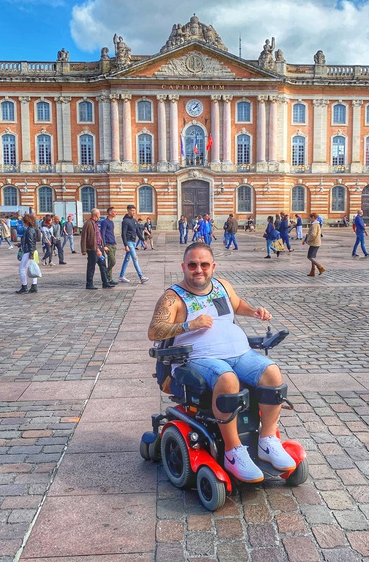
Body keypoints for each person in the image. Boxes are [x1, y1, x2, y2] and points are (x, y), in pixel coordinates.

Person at [147, 242, 296, 482]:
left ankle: (267, 441)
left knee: (272, 372)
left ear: (213, 266)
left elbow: (236, 305)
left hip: (240, 354)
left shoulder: (222, 286)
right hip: (198, 358)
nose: (199, 270)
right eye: (193, 265)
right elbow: (154, 331)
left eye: (204, 265)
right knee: (228, 379)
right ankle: (232, 450)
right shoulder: (172, 297)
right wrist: (189, 325)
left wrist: (253, 311)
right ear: (183, 267)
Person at [81, 208, 114, 289]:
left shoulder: (95, 223)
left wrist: (103, 246)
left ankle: (105, 282)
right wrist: (97, 249)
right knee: (91, 266)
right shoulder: (88, 224)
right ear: (96, 215)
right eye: (99, 213)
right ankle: (89, 284)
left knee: (103, 265)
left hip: (99, 248)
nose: (100, 215)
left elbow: (98, 236)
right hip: (93, 249)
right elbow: (90, 238)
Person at [119, 204, 149, 284]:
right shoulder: (125, 221)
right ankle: (141, 276)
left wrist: (143, 240)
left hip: (133, 241)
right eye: (132, 211)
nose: (133, 212)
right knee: (135, 258)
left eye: (134, 211)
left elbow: (138, 232)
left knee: (127, 259)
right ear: (128, 211)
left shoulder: (134, 220)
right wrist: (125, 245)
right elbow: (123, 234)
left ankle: (121, 276)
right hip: (129, 242)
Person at [16, 213, 39, 294]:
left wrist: (31, 254)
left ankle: (24, 286)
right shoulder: (33, 229)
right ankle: (34, 286)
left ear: (26, 222)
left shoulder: (29, 230)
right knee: (32, 268)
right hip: (33, 251)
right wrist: (20, 244)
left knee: (22, 269)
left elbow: (31, 243)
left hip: (29, 251)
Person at [100, 207, 118, 284]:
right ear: (110, 213)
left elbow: (111, 233)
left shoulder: (111, 222)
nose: (116, 213)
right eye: (114, 211)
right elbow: (102, 234)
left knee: (111, 261)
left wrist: (114, 242)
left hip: (113, 244)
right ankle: (106, 273)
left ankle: (109, 279)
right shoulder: (105, 222)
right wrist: (104, 245)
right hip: (108, 244)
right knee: (113, 261)